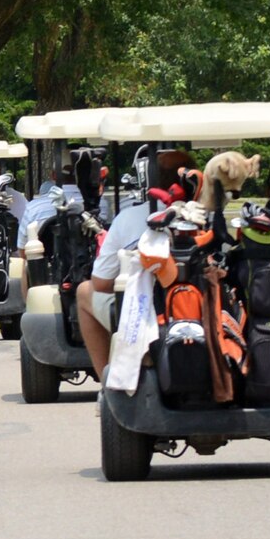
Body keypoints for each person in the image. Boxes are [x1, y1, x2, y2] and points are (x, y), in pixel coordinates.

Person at [78, 148, 195, 375]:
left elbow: (100, 283)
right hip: (194, 305)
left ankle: (106, 382)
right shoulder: (205, 215)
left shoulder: (129, 218)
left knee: (84, 291)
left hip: (146, 309)